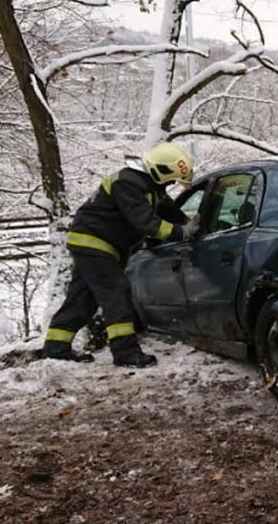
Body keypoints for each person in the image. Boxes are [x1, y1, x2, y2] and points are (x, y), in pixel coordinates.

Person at [42, 142, 200, 367]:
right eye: (172, 179)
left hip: (91, 245)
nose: (172, 184)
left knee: (82, 299)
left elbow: (167, 210)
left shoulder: (147, 187)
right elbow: (145, 221)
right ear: (160, 170)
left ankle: (56, 346)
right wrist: (181, 232)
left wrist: (187, 222)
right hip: (95, 243)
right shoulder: (128, 183)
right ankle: (126, 353)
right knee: (117, 294)